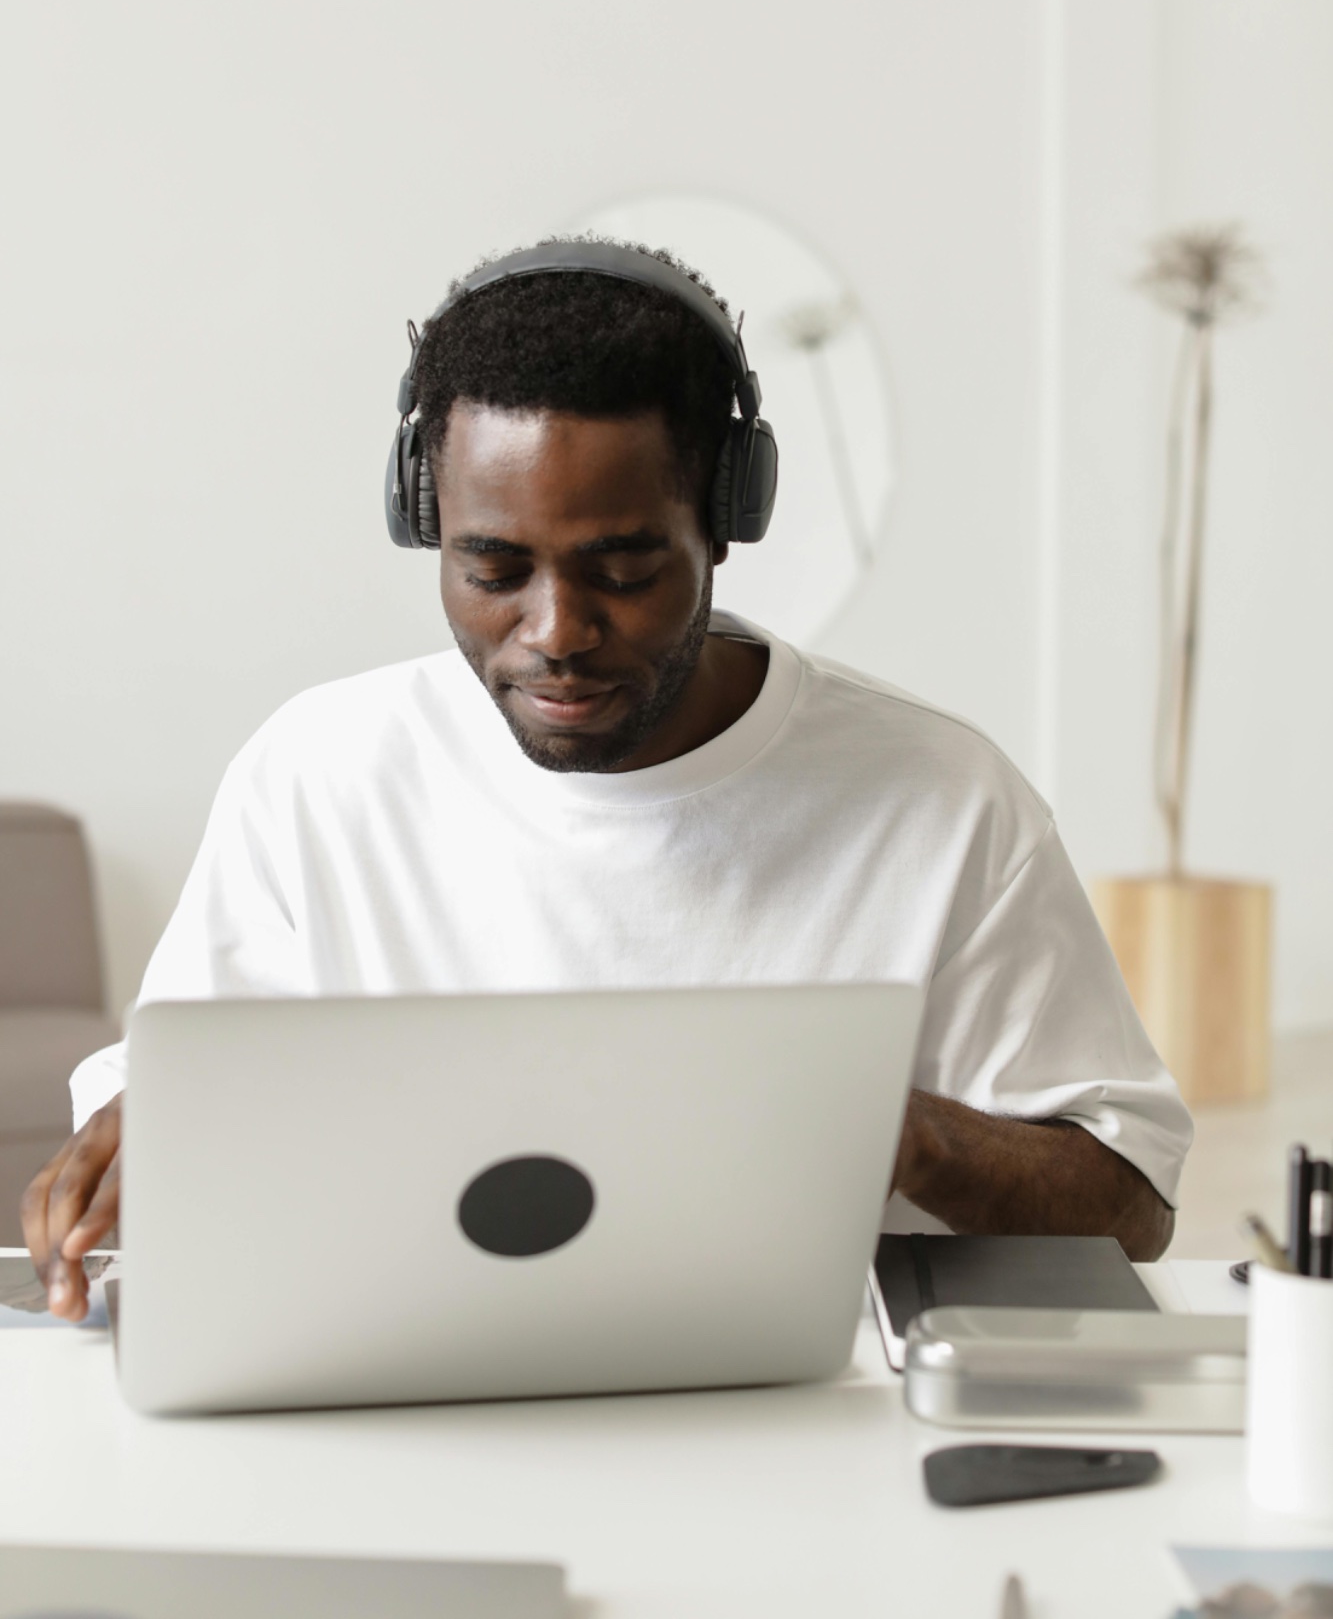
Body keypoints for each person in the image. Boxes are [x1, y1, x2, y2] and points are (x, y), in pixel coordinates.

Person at [25, 239, 1191, 1322]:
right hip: (404, 1383)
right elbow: (174, 1104)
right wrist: (151, 1147)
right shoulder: (317, 773)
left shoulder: (941, 798)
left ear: (726, 519)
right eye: (492, 567)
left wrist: (902, 1131)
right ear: (426, 519)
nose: (555, 631)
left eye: (623, 567)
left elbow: (1131, 1206)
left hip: (792, 1428)